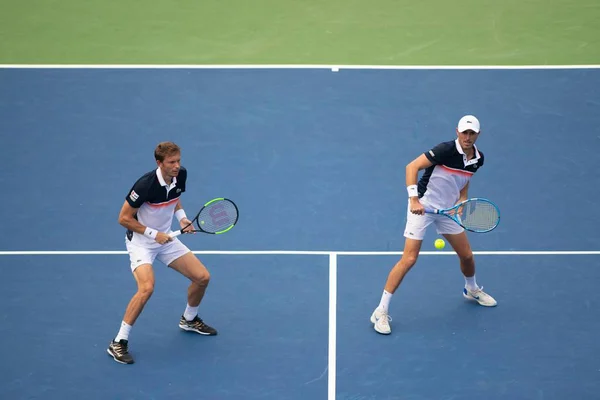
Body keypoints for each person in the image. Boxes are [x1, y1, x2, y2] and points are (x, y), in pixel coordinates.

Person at [371, 115, 497, 335]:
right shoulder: (445, 150)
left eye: (472, 133)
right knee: (409, 258)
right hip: (423, 206)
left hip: (447, 211)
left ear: (478, 134)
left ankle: (472, 289)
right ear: (457, 131)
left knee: (466, 256)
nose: (467, 137)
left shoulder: (478, 159)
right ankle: (380, 311)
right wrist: (413, 199)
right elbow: (412, 167)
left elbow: (464, 181)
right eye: (464, 132)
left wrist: (461, 202)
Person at [107, 142, 217, 364]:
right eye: (171, 162)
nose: (177, 166)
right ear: (159, 163)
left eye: (178, 161)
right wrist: (152, 233)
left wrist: (182, 218)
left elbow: (174, 198)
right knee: (146, 288)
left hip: (167, 239)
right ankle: (119, 341)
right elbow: (123, 219)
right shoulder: (145, 185)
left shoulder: (180, 175)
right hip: (141, 243)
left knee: (202, 277)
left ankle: (189, 319)